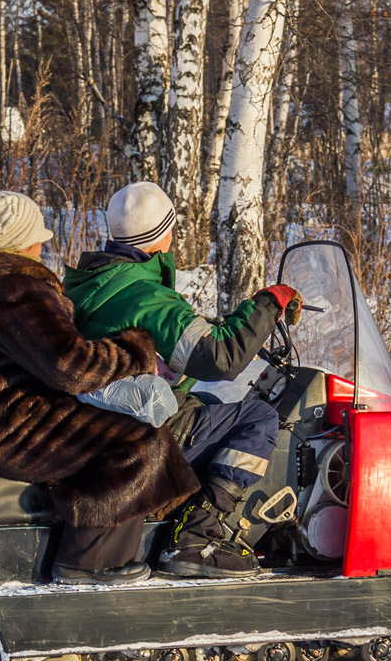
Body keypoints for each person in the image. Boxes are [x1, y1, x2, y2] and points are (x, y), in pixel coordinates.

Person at [0, 188, 199, 585]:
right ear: (18, 244)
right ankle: (89, 563)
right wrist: (135, 349)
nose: (41, 246)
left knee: (104, 429)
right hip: (11, 425)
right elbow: (71, 368)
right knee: (139, 442)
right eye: (36, 238)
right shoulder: (16, 289)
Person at [62, 182, 300, 579]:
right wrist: (268, 303)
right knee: (257, 418)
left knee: (207, 407)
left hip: (99, 420)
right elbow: (221, 358)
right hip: (137, 429)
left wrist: (215, 323)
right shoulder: (145, 295)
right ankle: (197, 537)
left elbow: (167, 339)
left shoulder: (91, 282)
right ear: (161, 235)